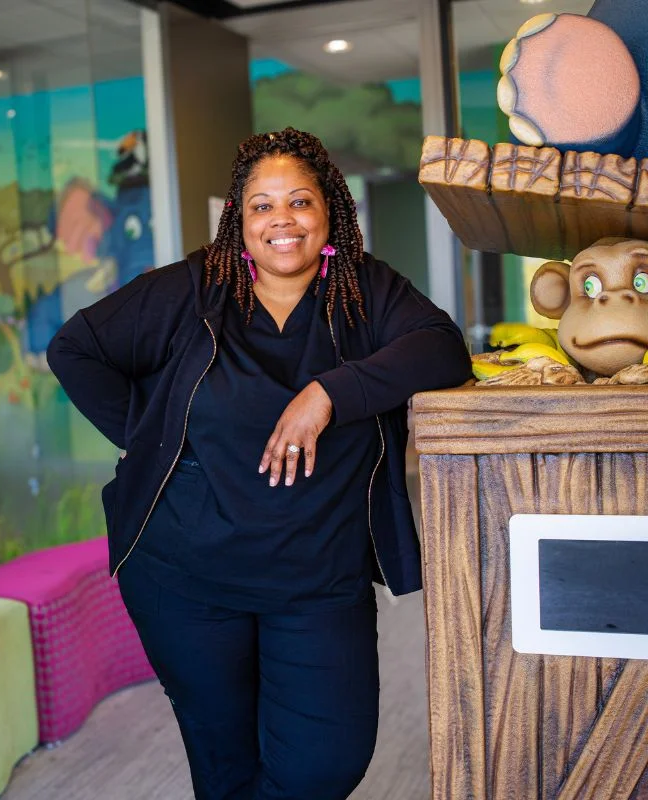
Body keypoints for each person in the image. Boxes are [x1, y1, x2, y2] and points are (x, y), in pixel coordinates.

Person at [47, 127, 471, 800]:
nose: (282, 220)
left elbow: (443, 349)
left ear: (329, 211)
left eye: (300, 201)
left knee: (325, 763)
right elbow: (75, 348)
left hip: (319, 578)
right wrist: (149, 436)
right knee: (225, 762)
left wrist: (327, 394)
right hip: (187, 578)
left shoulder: (364, 290)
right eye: (262, 205)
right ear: (238, 220)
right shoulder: (194, 288)